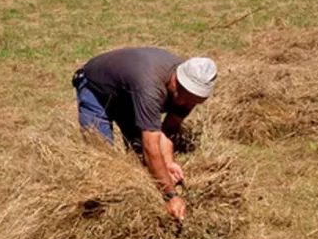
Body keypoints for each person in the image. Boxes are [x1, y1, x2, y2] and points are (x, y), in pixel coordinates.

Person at [72, 47, 217, 220]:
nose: (186, 105)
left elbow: (169, 128)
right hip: (95, 88)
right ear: (177, 83)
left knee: (139, 153)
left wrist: (168, 162)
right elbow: (151, 148)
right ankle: (98, 215)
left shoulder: (187, 92)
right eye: (187, 98)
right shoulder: (150, 88)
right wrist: (171, 195)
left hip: (127, 94)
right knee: (102, 160)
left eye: (195, 102)